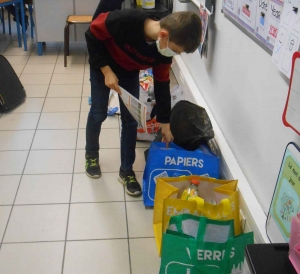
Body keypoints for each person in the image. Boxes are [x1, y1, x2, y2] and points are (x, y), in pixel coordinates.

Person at [85, 5, 202, 196]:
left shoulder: (162, 53)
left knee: (131, 120)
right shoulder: (126, 20)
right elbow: (91, 34)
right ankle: (91, 154)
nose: (173, 56)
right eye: (175, 50)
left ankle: (126, 170)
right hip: (102, 65)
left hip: (128, 72)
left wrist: (165, 123)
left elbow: (162, 83)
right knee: (98, 112)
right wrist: (107, 71)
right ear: (163, 35)